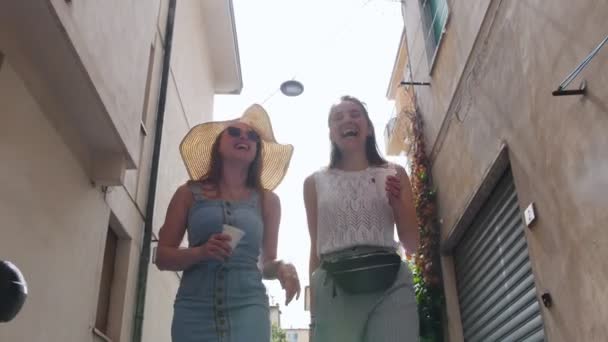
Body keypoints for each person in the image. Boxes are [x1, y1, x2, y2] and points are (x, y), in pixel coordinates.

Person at [156, 104, 300, 342]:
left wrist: (283, 267)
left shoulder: (269, 201)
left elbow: (266, 264)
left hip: (249, 307)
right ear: (218, 146)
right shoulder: (188, 193)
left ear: (256, 151)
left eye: (252, 136)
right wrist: (200, 252)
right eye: (234, 132)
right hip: (193, 309)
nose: (244, 137)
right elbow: (162, 257)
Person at [304, 95, 419, 341]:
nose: (347, 119)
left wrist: (398, 204)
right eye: (338, 117)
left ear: (368, 128)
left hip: (391, 282)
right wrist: (313, 320)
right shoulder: (314, 183)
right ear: (331, 134)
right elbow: (315, 249)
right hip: (333, 284)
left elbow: (412, 244)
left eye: (355, 114)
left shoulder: (394, 173)